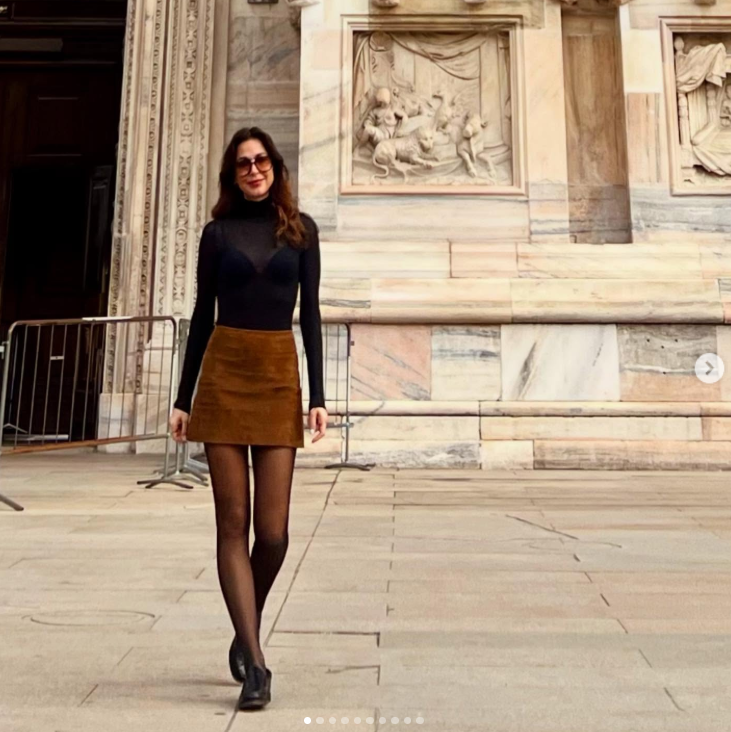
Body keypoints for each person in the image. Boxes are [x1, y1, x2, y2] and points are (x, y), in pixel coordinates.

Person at [169, 126, 328, 710]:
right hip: (224, 376)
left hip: (278, 374)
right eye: (243, 164)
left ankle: (245, 626)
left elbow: (311, 315)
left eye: (261, 161)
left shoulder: (302, 231)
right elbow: (200, 316)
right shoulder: (217, 234)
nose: (253, 170)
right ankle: (256, 666)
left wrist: (318, 394)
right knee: (233, 524)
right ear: (232, 175)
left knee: (275, 533)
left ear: (275, 168)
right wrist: (184, 399)